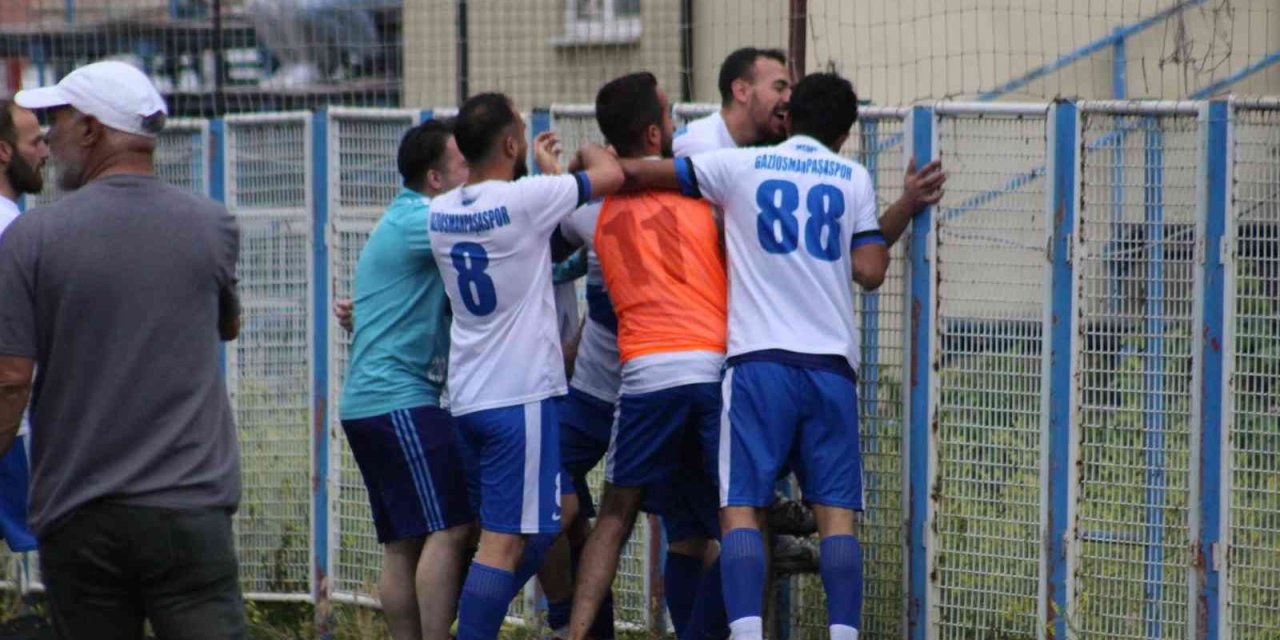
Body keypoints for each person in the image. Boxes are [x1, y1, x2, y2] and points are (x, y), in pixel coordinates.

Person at [620, 71, 908, 640]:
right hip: (830, 367)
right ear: (844, 134)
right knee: (836, 517)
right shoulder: (852, 176)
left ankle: (747, 634)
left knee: (741, 507)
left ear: (789, 117)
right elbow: (871, 270)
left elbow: (645, 172)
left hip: (758, 365)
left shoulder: (742, 166)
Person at [0, 60, 246, 639]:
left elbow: (11, 378)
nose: (49, 139)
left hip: (79, 507)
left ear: (90, 129)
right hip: (189, 500)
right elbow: (228, 324)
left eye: (57, 120)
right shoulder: (211, 224)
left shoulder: (32, 237)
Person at [426, 92, 623, 640]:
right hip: (519, 399)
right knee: (505, 542)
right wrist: (566, 161)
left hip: (468, 397)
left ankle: (492, 620)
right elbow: (609, 176)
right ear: (511, 144)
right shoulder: (526, 199)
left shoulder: (439, 212)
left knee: (542, 521)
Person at [565, 72, 727, 640]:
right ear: (656, 134)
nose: (676, 121)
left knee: (615, 514)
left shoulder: (594, 207)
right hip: (709, 368)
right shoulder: (703, 193)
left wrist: (586, 159)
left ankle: (577, 633)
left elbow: (584, 165)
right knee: (740, 522)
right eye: (669, 114)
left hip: (644, 373)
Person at [337, 118, 472, 640]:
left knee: (403, 541)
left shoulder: (402, 219)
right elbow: (493, 234)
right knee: (451, 526)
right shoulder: (427, 219)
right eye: (463, 162)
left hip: (368, 402)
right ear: (435, 178)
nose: (472, 171)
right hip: (398, 400)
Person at [0, 99, 48, 561]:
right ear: (4, 151)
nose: (45, 152)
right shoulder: (15, 234)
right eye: (35, 142)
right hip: (12, 431)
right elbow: (15, 368)